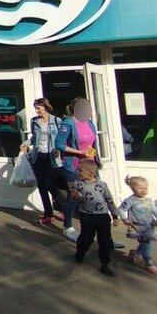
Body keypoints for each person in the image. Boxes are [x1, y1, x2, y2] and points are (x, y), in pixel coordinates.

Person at [53, 97, 100, 241]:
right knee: (73, 196)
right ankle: (67, 227)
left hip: (89, 166)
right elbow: (58, 144)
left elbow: (92, 143)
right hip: (72, 168)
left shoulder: (90, 123)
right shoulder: (68, 123)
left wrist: (93, 156)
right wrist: (79, 152)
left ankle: (99, 231)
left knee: (95, 195)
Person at [71, 159, 119, 277]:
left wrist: (115, 215)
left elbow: (109, 199)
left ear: (91, 173)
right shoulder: (77, 183)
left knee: (104, 240)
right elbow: (75, 199)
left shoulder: (101, 185)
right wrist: (76, 197)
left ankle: (105, 263)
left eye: (80, 170)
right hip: (86, 215)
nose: (77, 172)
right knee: (86, 237)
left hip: (102, 216)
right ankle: (80, 253)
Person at [19, 97, 63, 226]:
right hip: (38, 156)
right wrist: (26, 143)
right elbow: (34, 137)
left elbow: (62, 138)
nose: (37, 111)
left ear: (45, 107)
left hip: (51, 156)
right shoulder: (35, 121)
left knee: (50, 184)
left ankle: (63, 207)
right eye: (36, 108)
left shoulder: (56, 120)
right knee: (42, 186)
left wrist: (58, 149)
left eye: (39, 108)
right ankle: (48, 214)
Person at [118, 175, 157, 276]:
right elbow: (121, 209)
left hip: (149, 227)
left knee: (146, 243)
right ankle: (149, 264)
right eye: (140, 188)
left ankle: (136, 254)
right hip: (136, 227)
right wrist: (124, 219)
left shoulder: (149, 200)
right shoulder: (130, 200)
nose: (143, 190)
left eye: (145, 188)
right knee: (147, 244)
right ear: (132, 188)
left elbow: (156, 211)